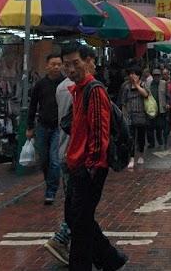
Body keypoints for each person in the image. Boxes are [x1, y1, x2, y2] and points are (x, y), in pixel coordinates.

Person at [54, 42, 126, 271]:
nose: (71, 69)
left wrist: (92, 166)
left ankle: (82, 266)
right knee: (77, 218)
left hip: (89, 166)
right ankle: (110, 259)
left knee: (81, 225)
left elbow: (99, 131)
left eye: (75, 63)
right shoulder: (79, 90)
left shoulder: (94, 90)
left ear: (87, 61)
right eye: (67, 66)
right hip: (76, 163)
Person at [44, 70, 76, 265]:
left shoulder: (60, 88)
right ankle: (61, 238)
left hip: (65, 149)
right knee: (79, 204)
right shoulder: (77, 89)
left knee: (75, 201)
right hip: (76, 153)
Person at [27, 52, 65, 204]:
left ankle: (51, 191)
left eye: (58, 64)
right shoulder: (40, 85)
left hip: (59, 128)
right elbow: (32, 105)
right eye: (53, 64)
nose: (56, 67)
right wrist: (29, 127)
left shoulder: (65, 84)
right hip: (42, 126)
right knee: (44, 159)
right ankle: (49, 182)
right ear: (47, 66)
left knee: (55, 160)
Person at [116, 65, 150, 168]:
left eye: (134, 74)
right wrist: (123, 116)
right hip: (130, 116)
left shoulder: (143, 84)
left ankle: (140, 155)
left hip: (141, 115)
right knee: (130, 138)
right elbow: (123, 102)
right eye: (131, 74)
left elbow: (146, 94)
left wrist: (137, 85)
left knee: (141, 137)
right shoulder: (126, 86)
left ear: (139, 75)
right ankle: (131, 158)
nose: (132, 76)